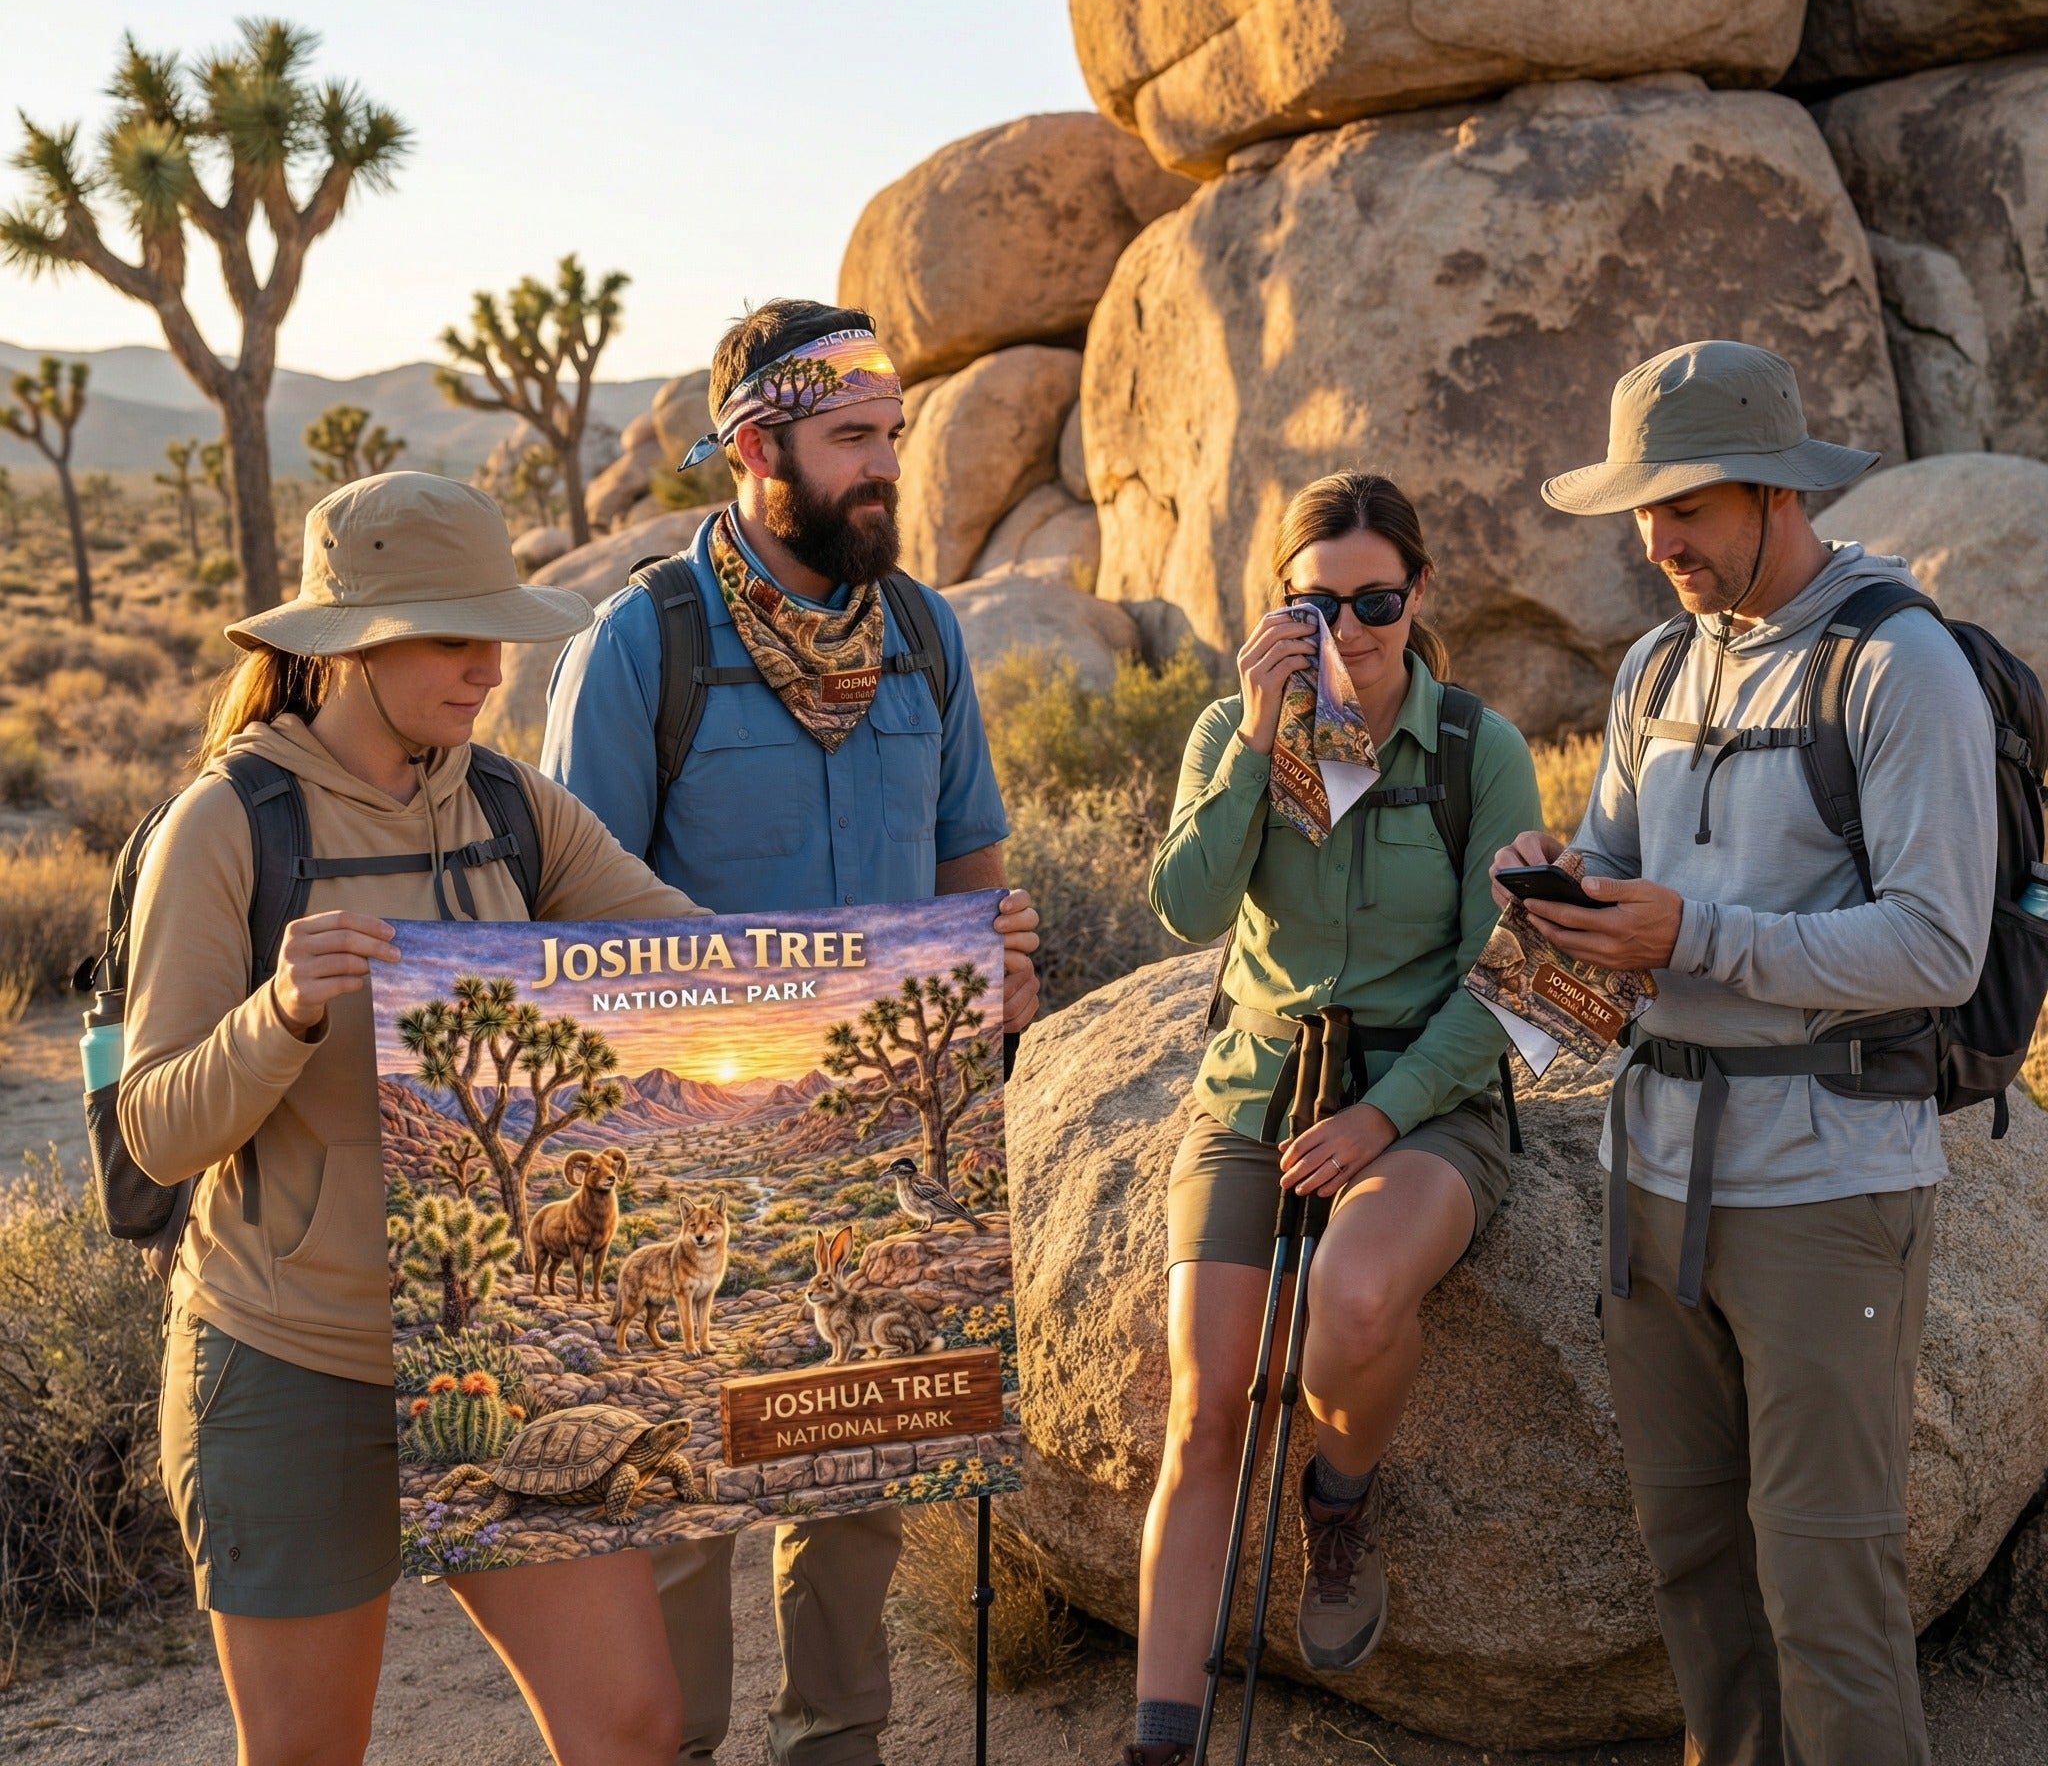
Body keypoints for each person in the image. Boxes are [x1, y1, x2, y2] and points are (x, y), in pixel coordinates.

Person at [121, 473, 710, 1766]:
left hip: (487, 1357)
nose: (488, 668)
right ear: (348, 648)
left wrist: (932, 975)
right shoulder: (227, 829)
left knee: (634, 1725)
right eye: (452, 635)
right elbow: (156, 1129)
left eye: (494, 632)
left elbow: (699, 961)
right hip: (290, 1366)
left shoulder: (508, 810)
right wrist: (278, 1015)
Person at [541, 297, 1040, 1766]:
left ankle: (839, 1745)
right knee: (689, 1488)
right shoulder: (644, 645)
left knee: (856, 1466)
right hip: (689, 1131)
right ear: (756, 450)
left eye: (890, 434)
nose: (883, 466)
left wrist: (996, 966)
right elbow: (569, 918)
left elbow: (969, 860)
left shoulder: (926, 635)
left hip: (874, 1124)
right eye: (850, 440)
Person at [1495, 341, 1996, 1766]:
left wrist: (1692, 937)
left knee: (1829, 1593)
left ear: (1777, 492)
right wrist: (1553, 893)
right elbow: (1621, 878)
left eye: (1686, 510)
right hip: (1651, 1185)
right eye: (1640, 515)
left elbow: (1936, 950)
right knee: (1694, 1571)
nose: (1656, 544)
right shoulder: (1657, 667)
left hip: (1828, 1190)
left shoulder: (1901, 668)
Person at [1130, 472, 1543, 1766]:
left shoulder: (1478, 748)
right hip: (1257, 1091)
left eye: (1374, 599)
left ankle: (1341, 1497)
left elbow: (1512, 982)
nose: (1349, 629)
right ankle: (1161, 1739)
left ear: (1418, 595)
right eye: (1317, 605)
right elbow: (1189, 912)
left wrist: (1385, 1117)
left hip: (1429, 1095)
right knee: (1205, 1406)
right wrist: (1261, 737)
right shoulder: (1236, 729)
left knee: (1354, 1302)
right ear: (1280, 610)